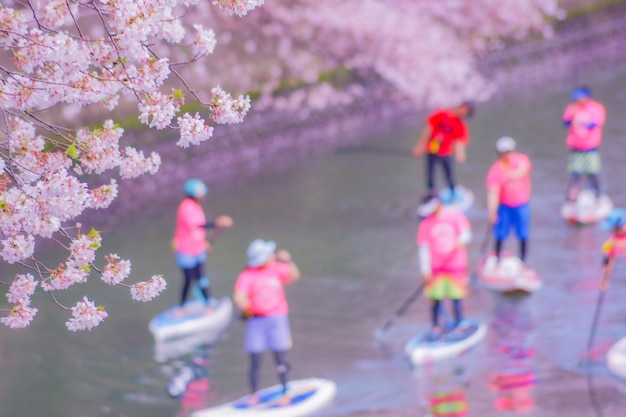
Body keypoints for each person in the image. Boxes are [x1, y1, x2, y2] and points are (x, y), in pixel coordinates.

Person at [233, 239, 301, 405]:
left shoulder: (277, 268)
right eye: (269, 253)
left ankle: (285, 392)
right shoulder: (247, 274)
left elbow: (294, 277)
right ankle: (253, 395)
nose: (273, 255)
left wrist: (288, 262)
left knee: (281, 358)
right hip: (256, 321)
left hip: (277, 319)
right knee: (255, 359)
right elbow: (239, 295)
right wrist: (243, 304)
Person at [416, 194, 472, 341]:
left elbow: (466, 234)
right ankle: (435, 327)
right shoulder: (425, 224)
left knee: (456, 297)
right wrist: (425, 271)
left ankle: (458, 326)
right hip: (436, 270)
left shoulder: (455, 216)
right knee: (435, 298)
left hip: (455, 267)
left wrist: (461, 241)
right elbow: (423, 248)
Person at [172, 178, 233, 312]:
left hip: (197, 249)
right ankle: (181, 308)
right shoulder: (186, 206)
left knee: (201, 278)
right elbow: (198, 225)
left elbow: (196, 230)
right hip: (186, 250)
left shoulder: (196, 205)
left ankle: (208, 304)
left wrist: (203, 242)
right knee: (188, 280)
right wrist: (217, 223)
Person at [412, 102, 474, 199]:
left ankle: (453, 193)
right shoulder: (442, 114)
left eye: (467, 112)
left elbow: (460, 142)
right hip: (432, 149)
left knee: (449, 174)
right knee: (430, 174)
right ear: (460, 106)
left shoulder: (460, 124)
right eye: (464, 109)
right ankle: (431, 194)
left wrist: (460, 154)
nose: (463, 113)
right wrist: (419, 147)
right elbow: (428, 129)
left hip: (446, 152)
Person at [486, 137, 532, 264]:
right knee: (500, 233)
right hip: (504, 206)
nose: (507, 154)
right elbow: (492, 192)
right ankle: (497, 260)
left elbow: (523, 169)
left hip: (521, 204)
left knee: (523, 233)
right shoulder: (495, 170)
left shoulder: (521, 160)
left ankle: (524, 261)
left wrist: (510, 174)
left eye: (509, 151)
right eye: (504, 152)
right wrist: (492, 211)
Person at [563, 86, 606, 202]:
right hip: (575, 148)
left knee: (593, 174)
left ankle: (598, 197)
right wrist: (571, 117)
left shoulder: (596, 108)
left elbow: (595, 125)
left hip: (591, 148)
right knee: (575, 175)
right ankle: (572, 199)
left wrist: (582, 123)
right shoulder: (572, 108)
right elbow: (565, 123)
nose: (577, 101)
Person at [600, 208, 626, 288]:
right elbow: (610, 259)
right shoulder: (615, 237)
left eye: (613, 229)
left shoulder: (614, 241)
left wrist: (615, 243)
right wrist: (605, 280)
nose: (611, 232)